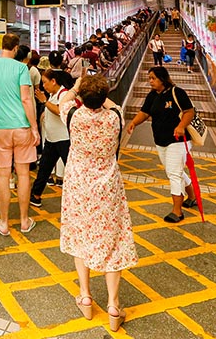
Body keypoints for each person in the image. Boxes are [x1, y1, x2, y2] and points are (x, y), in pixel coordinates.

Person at [60, 74, 137, 332]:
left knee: (81, 236)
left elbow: (66, 98)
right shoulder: (115, 116)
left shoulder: (72, 116)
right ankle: (114, 306)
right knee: (113, 240)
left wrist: (77, 86)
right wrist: (99, 95)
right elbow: (111, 104)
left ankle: (85, 297)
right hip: (107, 187)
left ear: (82, 97)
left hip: (78, 186)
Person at [0, 33, 38, 235]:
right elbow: (26, 99)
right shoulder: (21, 68)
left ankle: (4, 223)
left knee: (3, 175)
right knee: (23, 174)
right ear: (15, 49)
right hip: (21, 128)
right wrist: (34, 128)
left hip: (1, 128)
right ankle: (24, 221)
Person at [126, 66, 197, 222]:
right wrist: (134, 123)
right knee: (174, 170)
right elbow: (145, 112)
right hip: (160, 140)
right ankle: (192, 197)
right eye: (149, 78)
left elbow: (189, 111)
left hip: (177, 141)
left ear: (162, 79)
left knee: (173, 173)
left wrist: (181, 126)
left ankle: (177, 211)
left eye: (153, 78)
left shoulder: (176, 92)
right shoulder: (152, 95)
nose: (150, 81)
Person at [30, 69, 74, 207]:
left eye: (45, 82)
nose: (43, 85)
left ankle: (79, 198)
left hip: (64, 139)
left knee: (72, 170)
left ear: (53, 81)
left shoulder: (65, 94)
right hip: (51, 139)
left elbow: (60, 111)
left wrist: (44, 102)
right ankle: (35, 195)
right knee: (44, 168)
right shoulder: (53, 94)